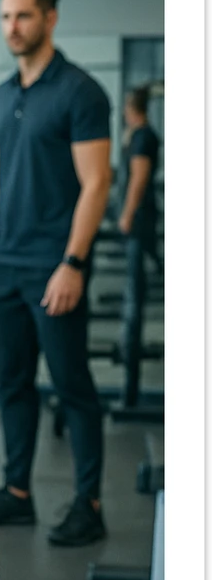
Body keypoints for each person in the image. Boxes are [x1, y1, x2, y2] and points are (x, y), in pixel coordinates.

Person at [0, 0, 112, 547]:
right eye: (5, 17)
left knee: (72, 384)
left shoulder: (80, 92)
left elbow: (96, 184)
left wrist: (73, 262)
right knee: (13, 382)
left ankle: (89, 502)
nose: (12, 28)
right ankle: (17, 491)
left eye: (23, 16)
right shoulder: (3, 94)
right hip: (6, 261)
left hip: (55, 265)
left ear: (49, 19)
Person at [116, 84, 161, 407]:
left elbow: (139, 176)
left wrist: (128, 214)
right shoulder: (136, 135)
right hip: (141, 224)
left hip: (141, 225)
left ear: (130, 107)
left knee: (134, 300)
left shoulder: (143, 137)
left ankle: (131, 393)